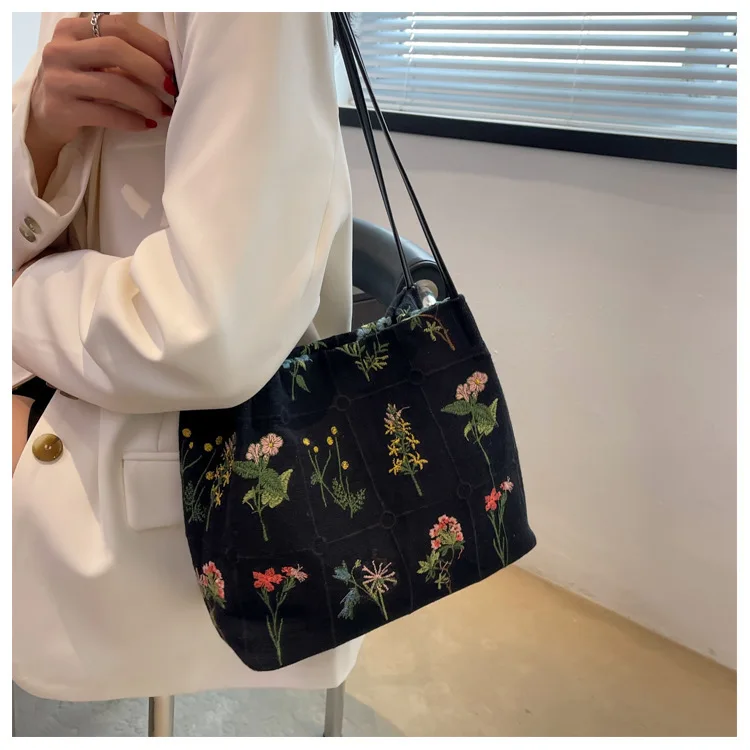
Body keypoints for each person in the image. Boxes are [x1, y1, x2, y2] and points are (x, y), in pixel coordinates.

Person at [12, 12, 361, 702]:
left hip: (190, 492)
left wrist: (16, 297)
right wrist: (42, 130)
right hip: (91, 415)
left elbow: (208, 333)